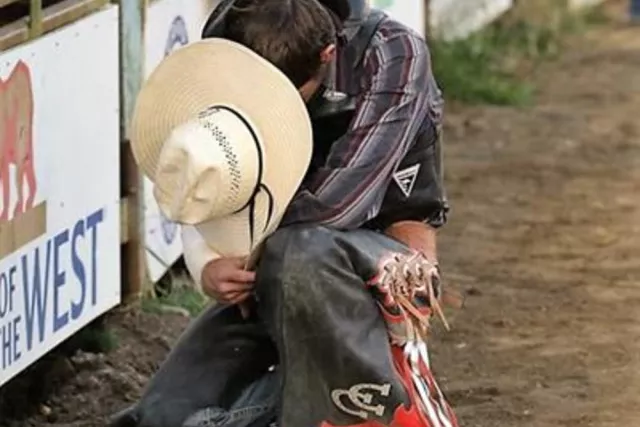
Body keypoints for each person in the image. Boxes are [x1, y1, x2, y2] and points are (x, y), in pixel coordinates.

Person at [110, 1, 457, 426]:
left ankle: (376, 397)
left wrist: (246, 240)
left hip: (377, 260)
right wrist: (209, 260)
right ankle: (353, 402)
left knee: (302, 247)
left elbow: (336, 205)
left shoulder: (390, 53)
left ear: (327, 54)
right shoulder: (230, 28)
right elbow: (212, 168)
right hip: (269, 270)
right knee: (160, 418)